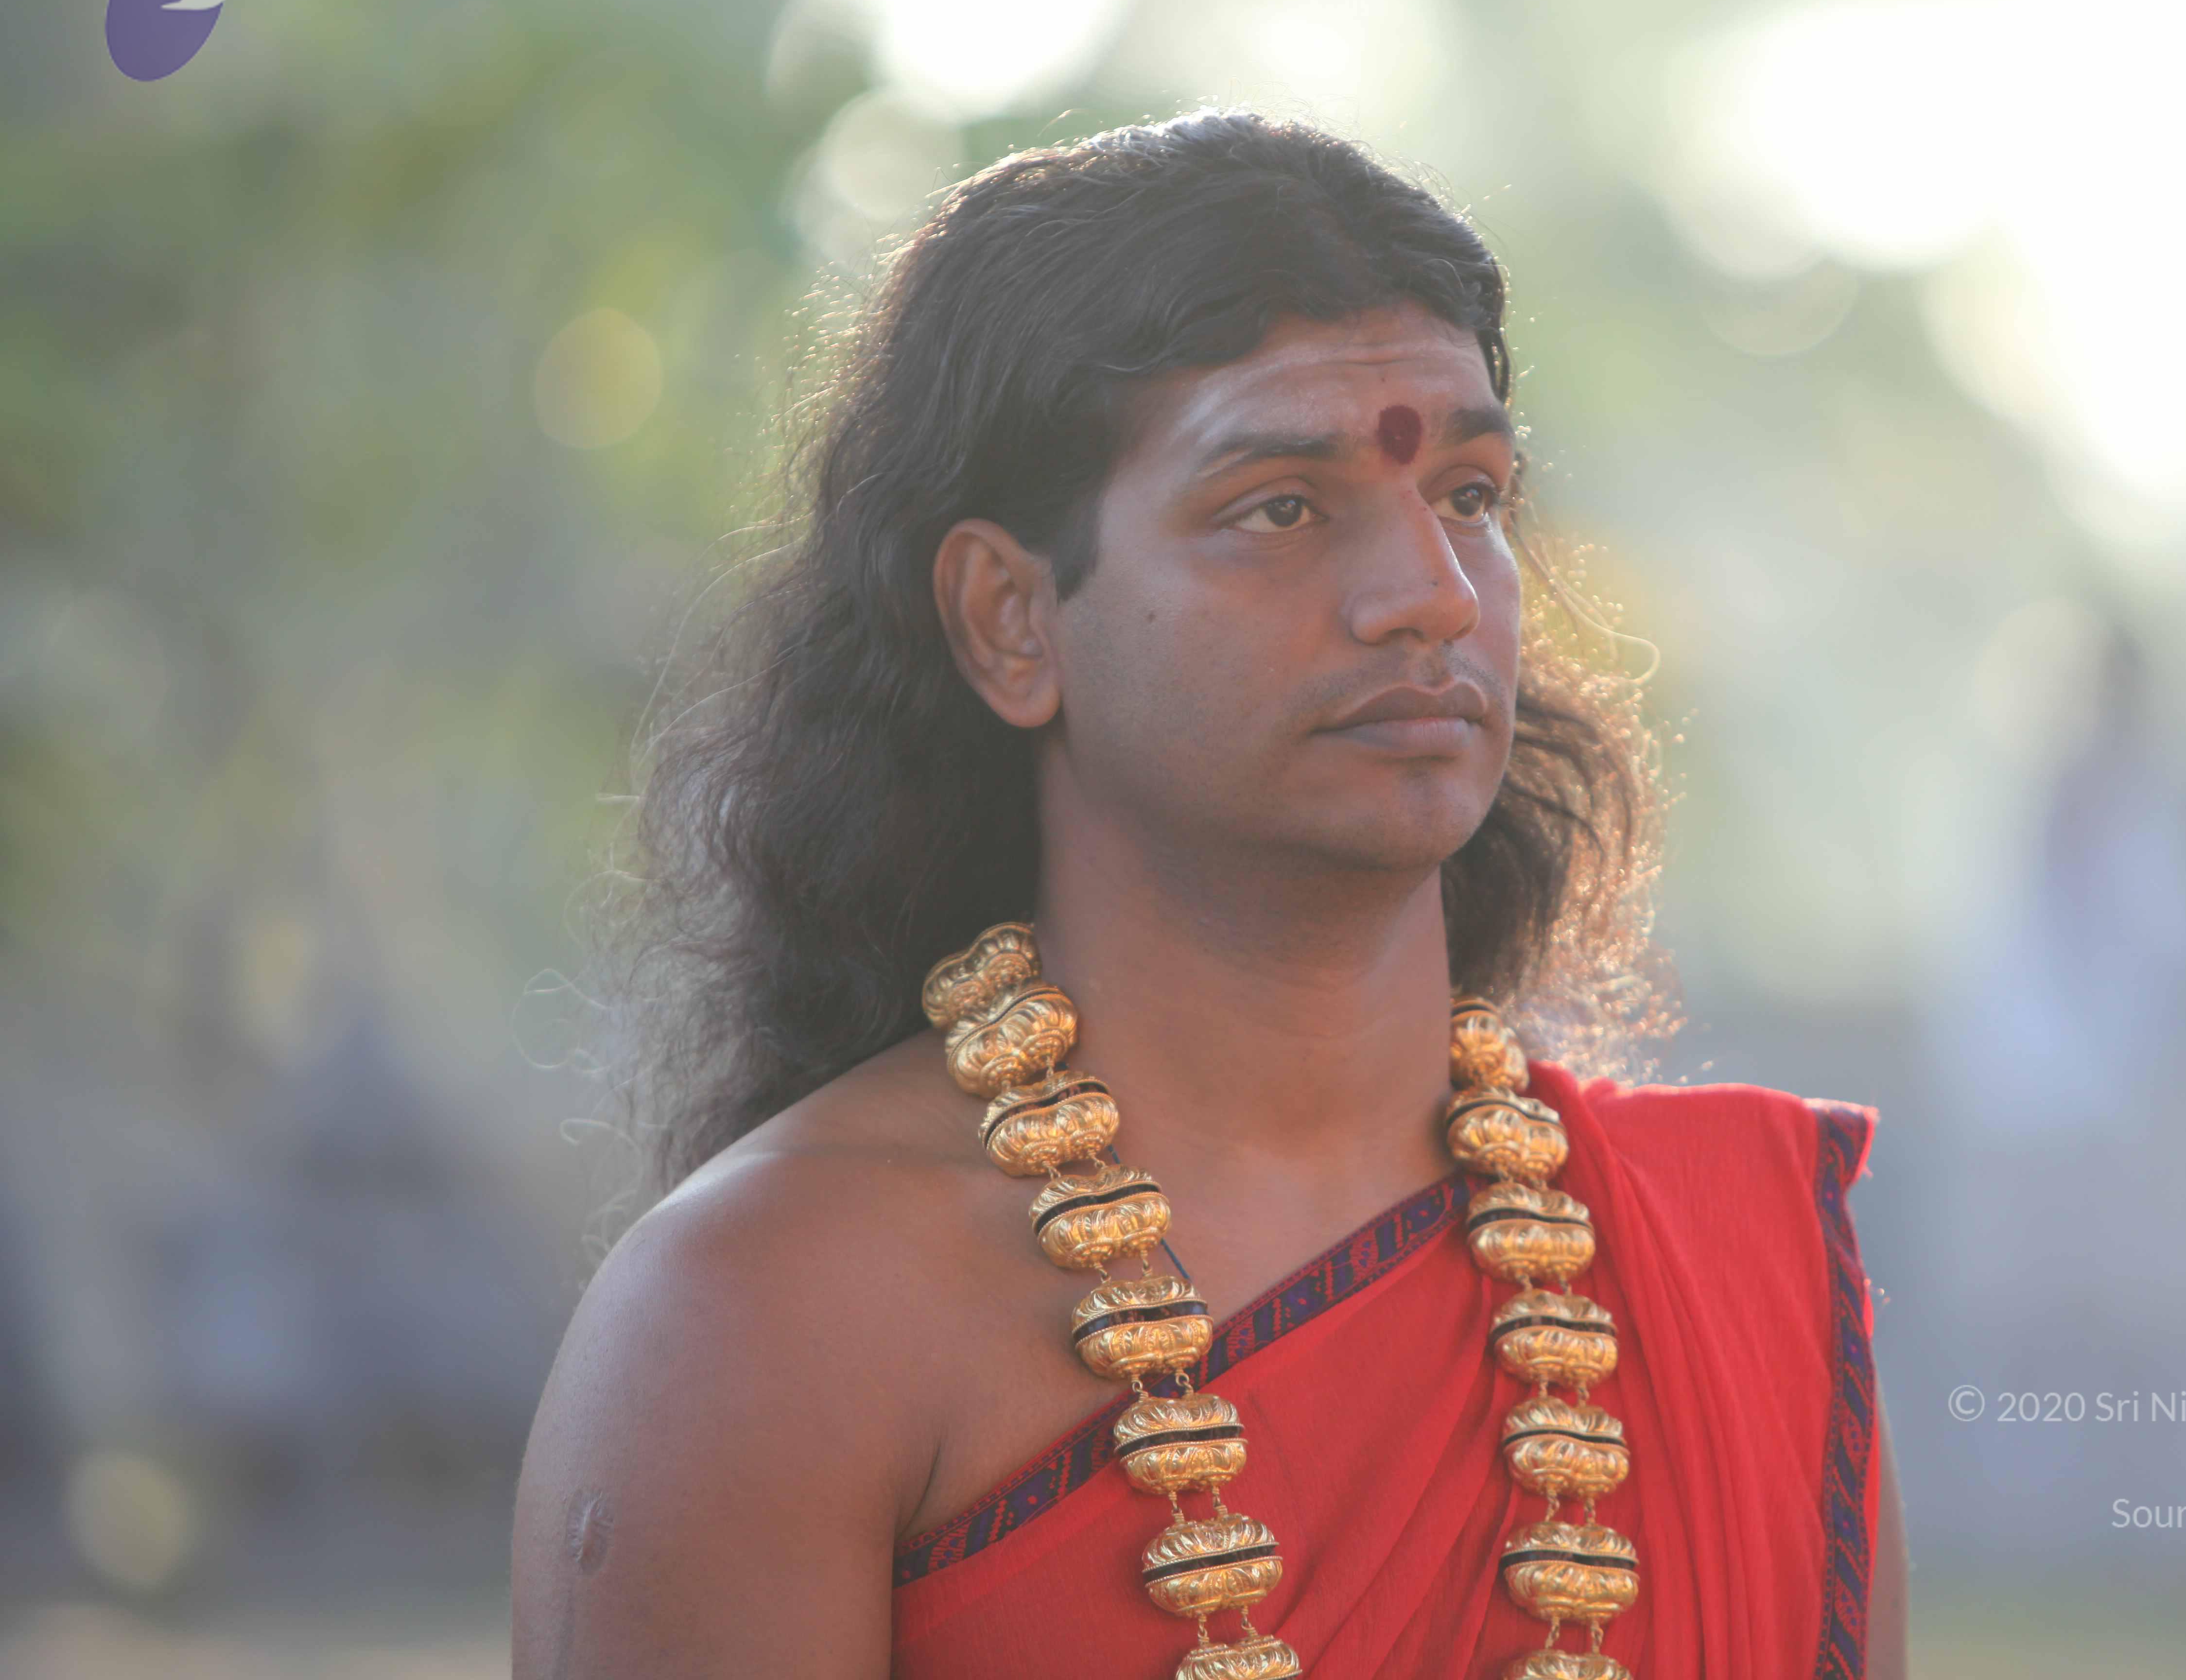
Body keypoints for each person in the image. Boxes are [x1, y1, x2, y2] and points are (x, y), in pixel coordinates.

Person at [510, 111, 1903, 1680]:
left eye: (1469, 495)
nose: (1431, 596)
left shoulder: (1733, 1271)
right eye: (1281, 509)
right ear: (1010, 621)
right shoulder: (774, 1312)